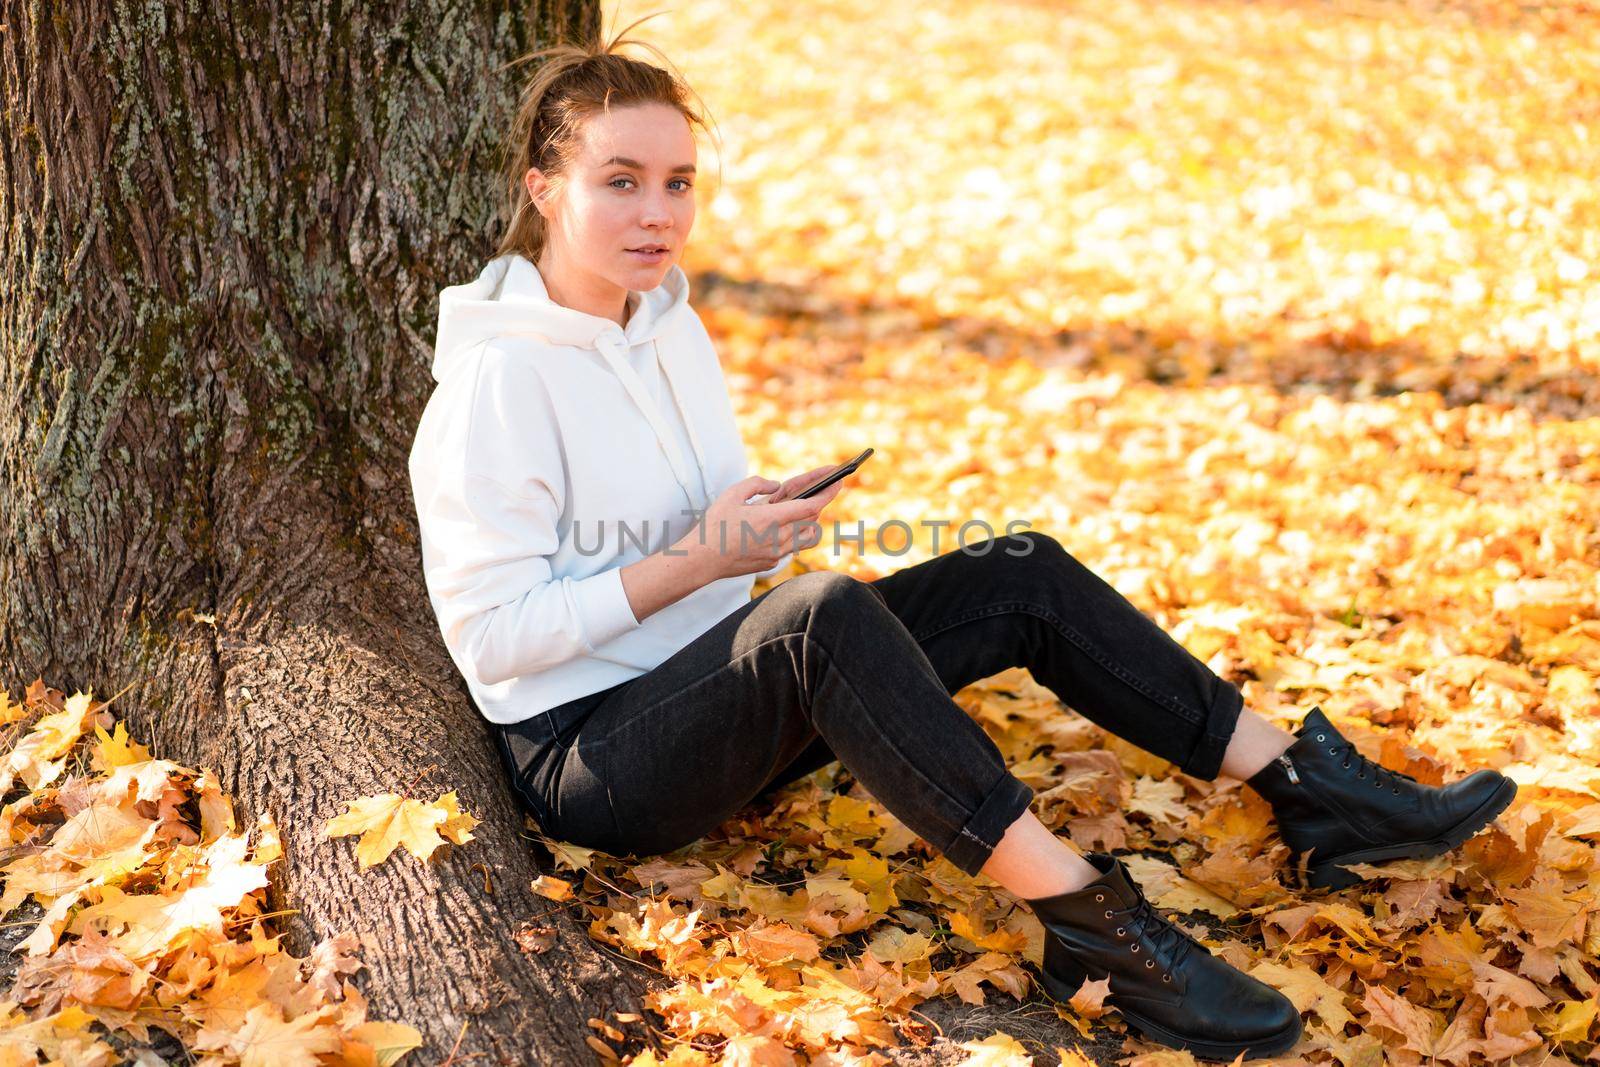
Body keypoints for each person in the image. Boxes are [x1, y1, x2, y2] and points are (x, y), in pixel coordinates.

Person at [407, 19, 1518, 1061]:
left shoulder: (664, 321)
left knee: (1015, 567)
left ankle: (1314, 788)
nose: (658, 212)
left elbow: (693, 526)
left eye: (678, 182)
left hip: (718, 683)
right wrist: (701, 558)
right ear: (542, 189)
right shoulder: (498, 381)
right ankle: (1091, 924)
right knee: (822, 616)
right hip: (598, 762)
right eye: (620, 182)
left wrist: (753, 521)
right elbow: (495, 639)